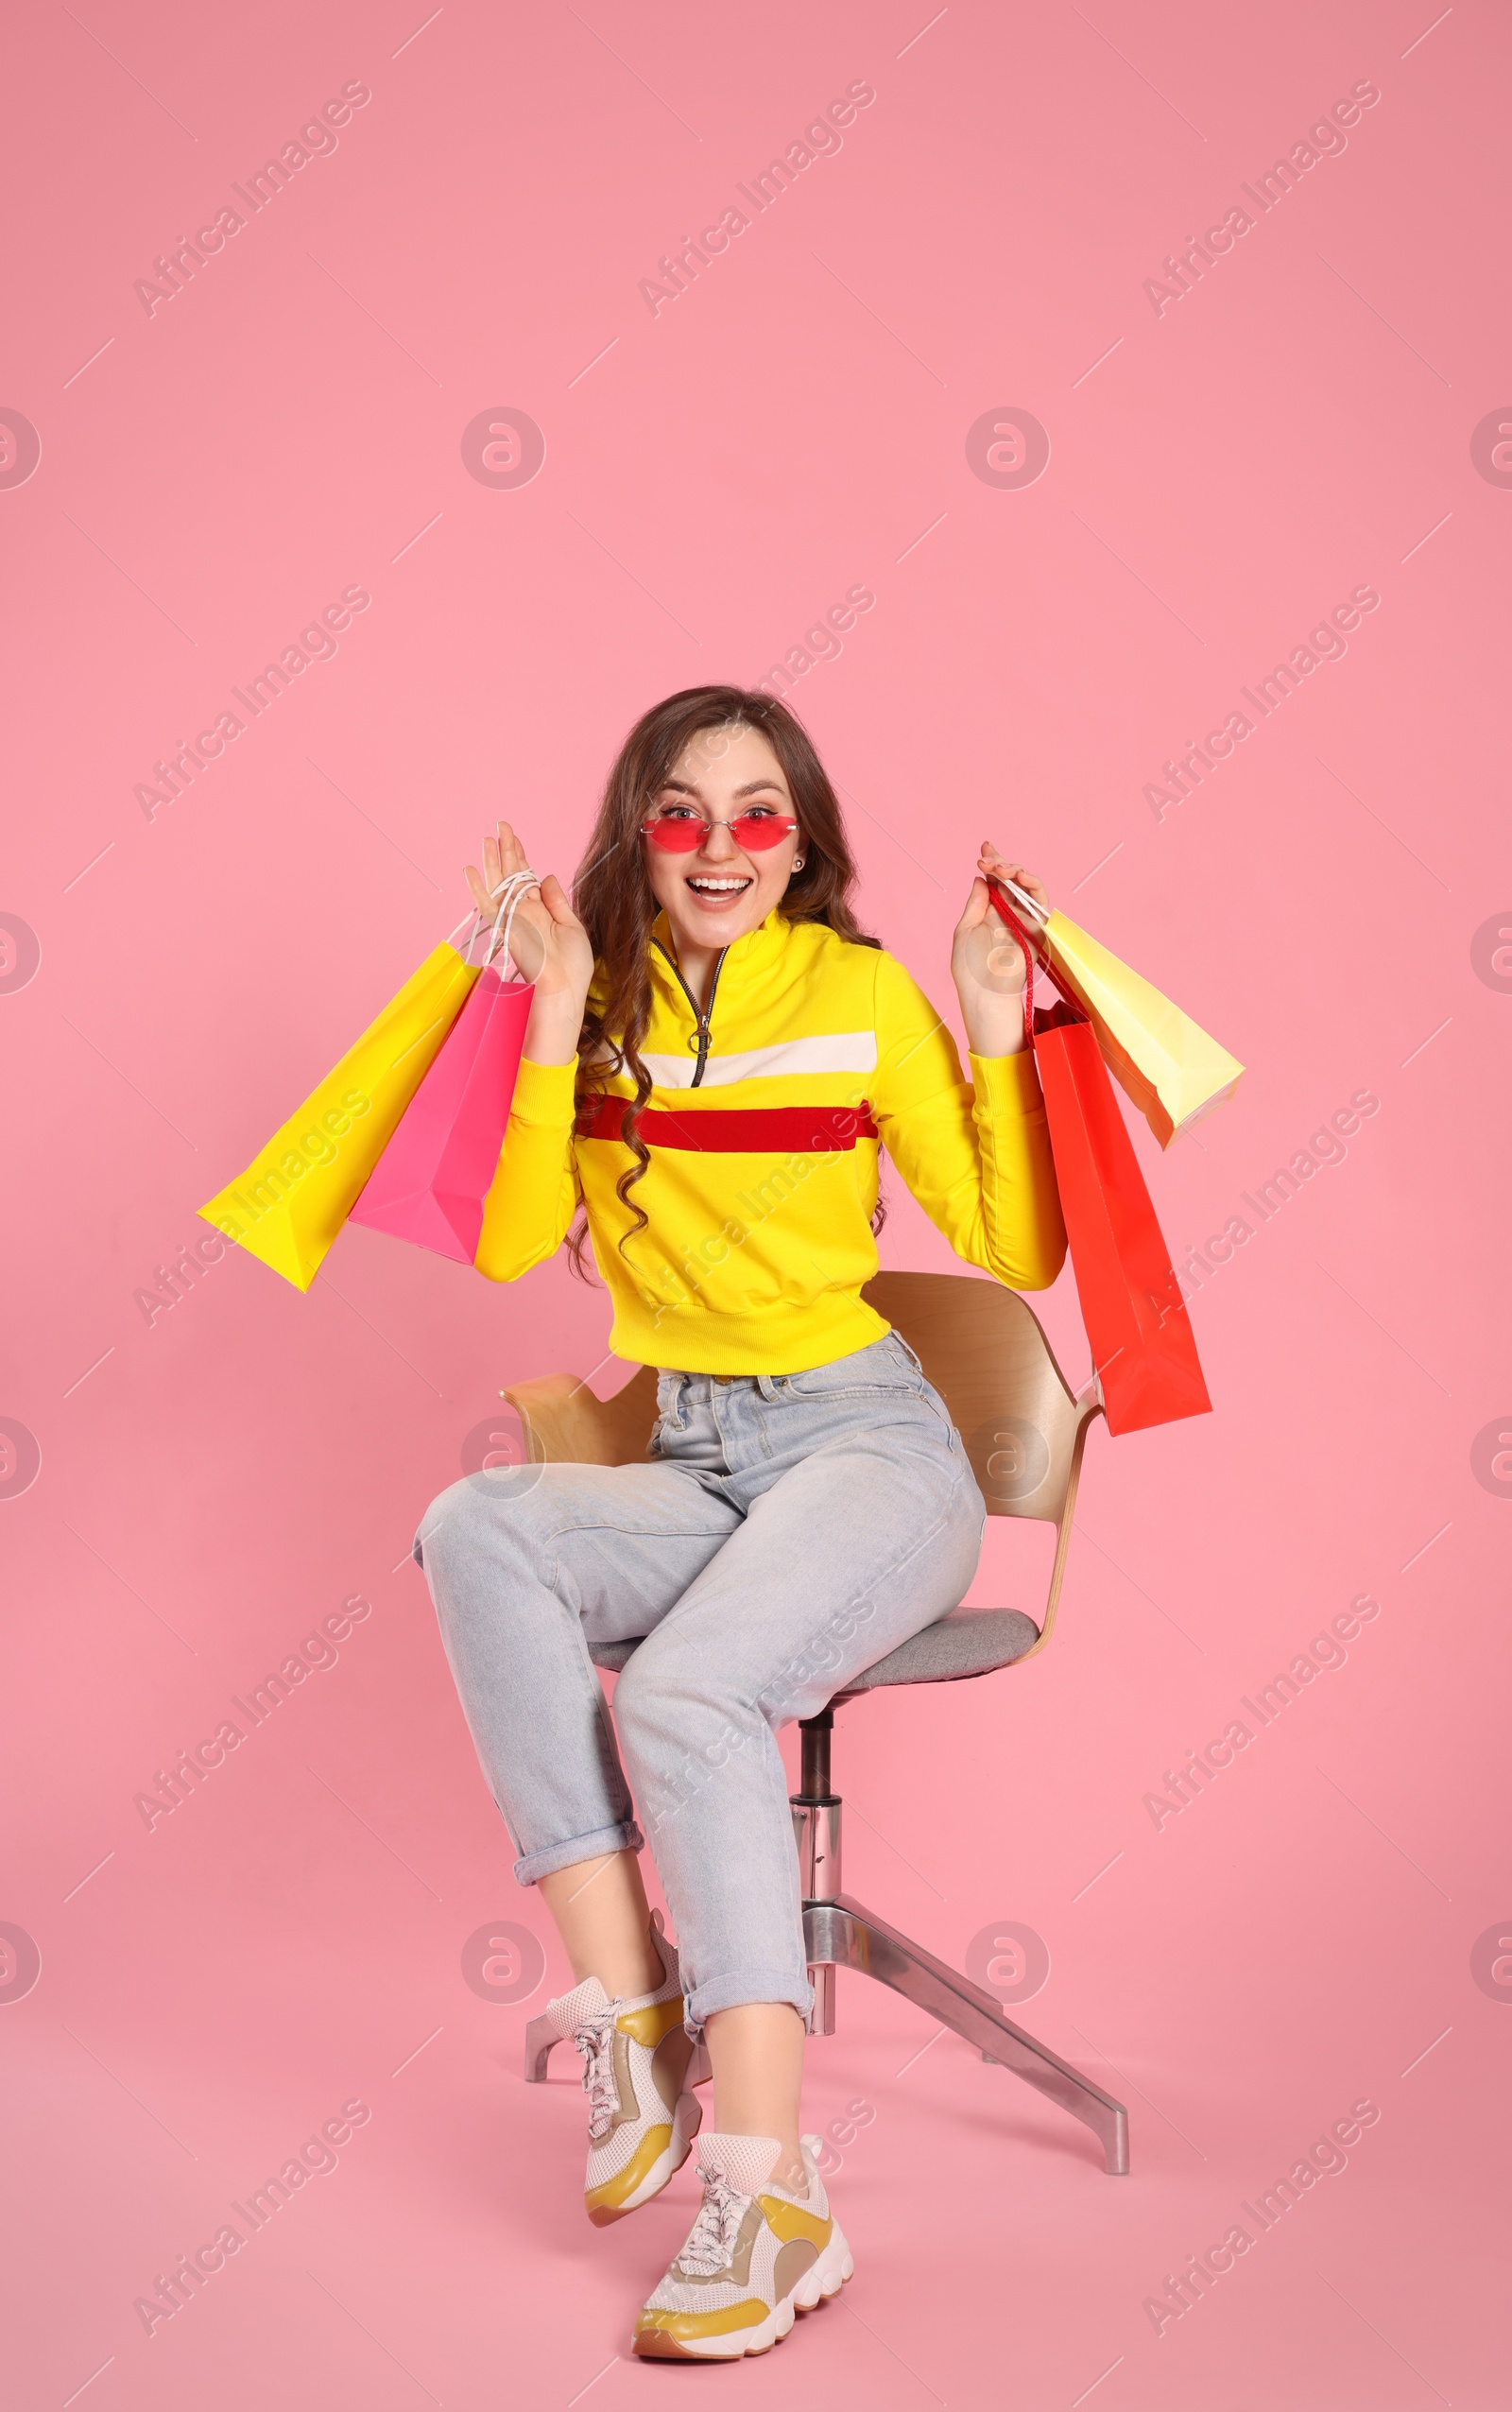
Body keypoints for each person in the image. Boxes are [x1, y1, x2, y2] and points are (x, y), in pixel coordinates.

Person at [414, 684, 1066, 2360]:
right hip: (701, 1460)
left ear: (803, 838)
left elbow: (1014, 1243)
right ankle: (637, 2002)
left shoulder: (856, 996)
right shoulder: (607, 997)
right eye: (683, 811)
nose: (719, 845)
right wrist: (555, 1008)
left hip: (870, 1452)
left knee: (692, 1692)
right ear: (642, 831)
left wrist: (991, 1022)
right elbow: (503, 1247)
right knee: (475, 1525)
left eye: (757, 812)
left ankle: (770, 2182)